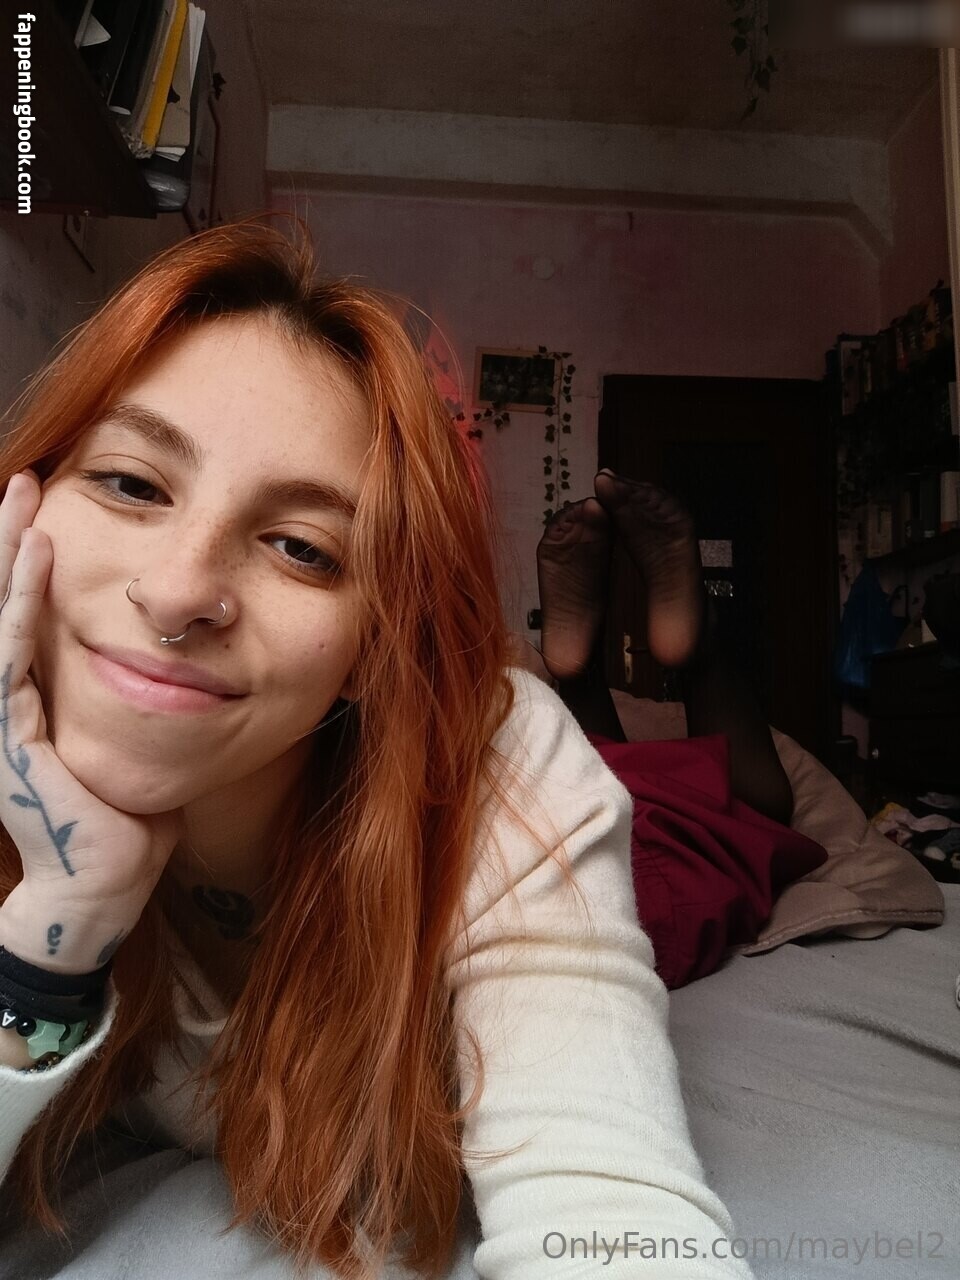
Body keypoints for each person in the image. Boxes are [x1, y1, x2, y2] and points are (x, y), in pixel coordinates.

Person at [0, 218, 756, 1280]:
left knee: (742, 810)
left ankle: (668, 648)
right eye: (131, 484)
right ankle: (585, 658)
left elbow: (611, 1213)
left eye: (302, 549)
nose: (176, 593)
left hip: (609, 855)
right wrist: (55, 930)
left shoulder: (503, 773)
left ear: (374, 644)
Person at [533, 476, 828, 993]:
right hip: (639, 886)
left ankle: (581, 668)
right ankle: (685, 645)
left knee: (605, 792)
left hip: (576, 868)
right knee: (745, 811)